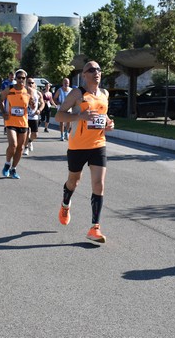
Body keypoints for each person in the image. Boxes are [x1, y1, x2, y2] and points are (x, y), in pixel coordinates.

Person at [56, 61, 115, 244]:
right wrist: (78, 116)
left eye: (98, 69)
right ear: (84, 75)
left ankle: (94, 228)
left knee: (99, 185)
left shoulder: (104, 94)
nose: (96, 72)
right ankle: (65, 204)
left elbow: (103, 115)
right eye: (91, 70)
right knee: (74, 181)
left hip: (98, 144)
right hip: (77, 146)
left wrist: (109, 123)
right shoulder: (77, 93)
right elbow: (59, 115)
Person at [0, 69, 33, 179]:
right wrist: (4, 113)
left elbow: (32, 105)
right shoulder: (10, 89)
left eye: (23, 78)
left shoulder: (28, 90)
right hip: (11, 122)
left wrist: (33, 105)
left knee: (20, 147)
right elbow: (0, 99)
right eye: (19, 78)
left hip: (23, 123)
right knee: (13, 144)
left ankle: (13, 168)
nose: (21, 80)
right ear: (15, 78)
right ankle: (7, 164)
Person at [23, 77, 45, 155]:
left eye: (32, 83)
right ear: (26, 83)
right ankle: (25, 148)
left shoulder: (38, 93)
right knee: (26, 132)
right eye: (29, 83)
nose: (31, 84)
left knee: (35, 134)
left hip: (34, 116)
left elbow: (42, 103)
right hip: (25, 116)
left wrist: (39, 110)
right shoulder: (23, 92)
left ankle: (30, 141)